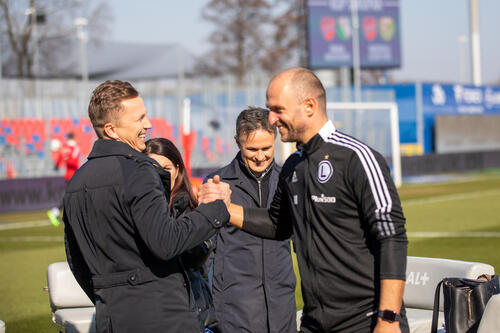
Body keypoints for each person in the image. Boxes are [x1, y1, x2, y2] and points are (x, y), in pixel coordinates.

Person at [199, 68, 409, 333]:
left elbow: (392, 237)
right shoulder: (293, 167)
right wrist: (225, 209)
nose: (272, 119)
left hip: (365, 320)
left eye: (278, 109)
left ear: (309, 105)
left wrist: (388, 318)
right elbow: (278, 225)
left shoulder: (357, 157)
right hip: (315, 321)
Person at [63, 80, 230, 333]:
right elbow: (166, 241)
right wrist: (214, 209)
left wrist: (111, 297)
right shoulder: (138, 170)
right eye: (139, 118)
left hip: (111, 319)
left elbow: (77, 263)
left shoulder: (77, 180)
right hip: (163, 317)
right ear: (111, 130)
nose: (148, 125)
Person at [205, 107, 296, 333]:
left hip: (281, 303)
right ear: (237, 142)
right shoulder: (218, 184)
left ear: (275, 139)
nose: (260, 156)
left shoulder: (289, 179)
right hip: (235, 308)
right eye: (252, 149)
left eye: (266, 148)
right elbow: (206, 251)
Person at [145, 137, 218, 331]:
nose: (159, 176)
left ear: (177, 170)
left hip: (192, 313)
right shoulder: (137, 213)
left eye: (166, 169)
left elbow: (197, 257)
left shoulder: (189, 209)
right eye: (151, 169)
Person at [47, 132, 81, 226]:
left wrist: (57, 165)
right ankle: (55, 212)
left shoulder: (64, 148)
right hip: (74, 175)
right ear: (74, 138)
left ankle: (58, 212)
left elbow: (59, 160)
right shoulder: (75, 148)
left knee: (70, 196)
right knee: (73, 196)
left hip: (68, 175)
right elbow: (74, 162)